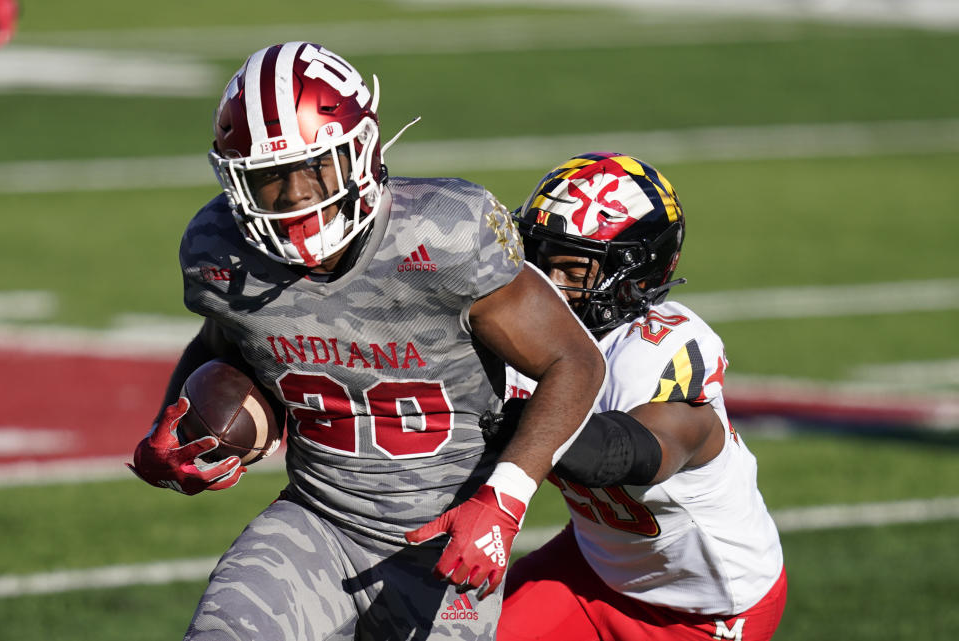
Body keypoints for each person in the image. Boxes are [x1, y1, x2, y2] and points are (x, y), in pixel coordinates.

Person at [126, 42, 605, 641]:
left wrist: (505, 499)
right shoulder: (220, 250)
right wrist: (174, 431)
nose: (297, 195)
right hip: (316, 520)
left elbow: (575, 361)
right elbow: (220, 343)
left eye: (315, 166)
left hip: (447, 538)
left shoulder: (445, 233)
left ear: (361, 152)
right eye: (270, 177)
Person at [488, 152, 786, 641]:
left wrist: (515, 421)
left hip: (703, 612)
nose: (544, 283)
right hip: (592, 568)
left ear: (633, 274)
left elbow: (638, 451)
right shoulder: (531, 329)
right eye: (537, 258)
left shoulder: (663, 347)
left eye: (567, 267)